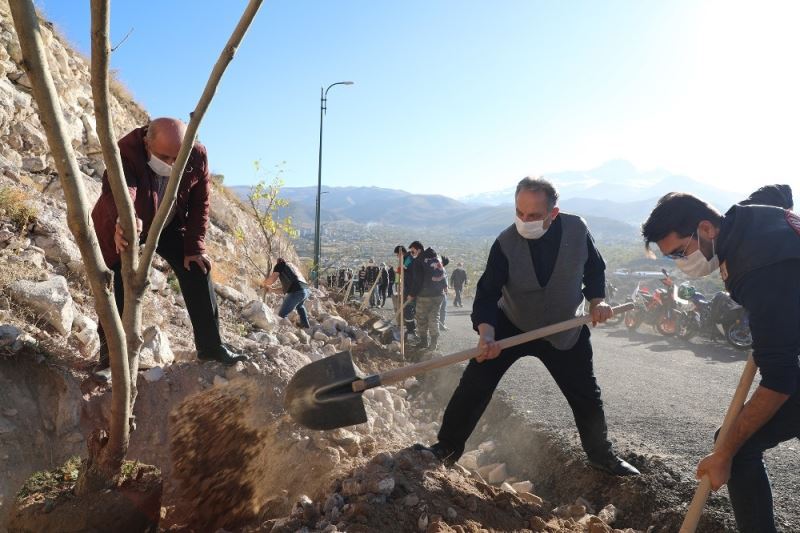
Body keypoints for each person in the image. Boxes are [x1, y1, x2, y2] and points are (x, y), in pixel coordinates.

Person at [416, 177, 638, 476]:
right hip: (512, 324)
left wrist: (598, 302)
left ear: (553, 213)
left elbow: (595, 270)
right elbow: (486, 294)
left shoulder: (577, 230)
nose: (524, 220)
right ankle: (446, 448)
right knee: (475, 383)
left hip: (565, 328)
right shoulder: (505, 243)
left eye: (533, 215)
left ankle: (601, 456)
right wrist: (487, 335)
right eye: (519, 212)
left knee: (585, 394)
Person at [641, 191, 800, 532]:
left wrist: (724, 453)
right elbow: (778, 191)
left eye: (681, 252)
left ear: (706, 228)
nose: (681, 263)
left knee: (737, 447)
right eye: (672, 258)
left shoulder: (758, 268)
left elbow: (780, 379)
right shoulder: (747, 215)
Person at [91, 117, 247, 373]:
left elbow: (200, 201)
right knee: (119, 282)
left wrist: (195, 246)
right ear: (146, 142)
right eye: (164, 157)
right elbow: (120, 189)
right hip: (125, 222)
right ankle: (111, 359)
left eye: (178, 159)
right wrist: (125, 219)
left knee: (198, 268)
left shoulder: (196, 155)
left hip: (168, 222)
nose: (172, 164)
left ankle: (211, 347)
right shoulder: (125, 150)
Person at [407, 241, 447, 352]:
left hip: (424, 296)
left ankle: (424, 342)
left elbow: (417, 281)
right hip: (439, 294)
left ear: (418, 249)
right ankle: (433, 344)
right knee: (434, 317)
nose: (411, 253)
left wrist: (411, 294)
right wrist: (444, 285)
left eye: (412, 250)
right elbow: (445, 264)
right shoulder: (436, 257)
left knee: (421, 319)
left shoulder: (418, 261)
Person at [261, 258, 311, 328]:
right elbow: (285, 290)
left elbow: (272, 279)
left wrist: (263, 283)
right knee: (300, 306)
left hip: (297, 292)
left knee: (282, 314)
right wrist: (272, 290)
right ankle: (306, 326)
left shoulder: (280, 265)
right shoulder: (292, 268)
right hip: (306, 290)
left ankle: (286, 330)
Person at [394, 245, 417, 342]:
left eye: (397, 255)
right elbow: (400, 272)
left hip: (410, 288)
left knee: (408, 310)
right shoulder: (406, 258)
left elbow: (401, 270)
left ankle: (411, 331)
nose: (397, 257)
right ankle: (410, 330)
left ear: (401, 253)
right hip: (407, 287)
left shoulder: (408, 258)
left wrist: (399, 269)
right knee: (408, 310)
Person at [438, 256, 450, 332]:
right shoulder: (442, 269)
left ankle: (440, 325)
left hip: (438, 291)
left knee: (440, 310)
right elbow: (444, 280)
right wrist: (446, 289)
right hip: (442, 292)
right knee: (442, 309)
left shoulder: (438, 268)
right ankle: (441, 325)